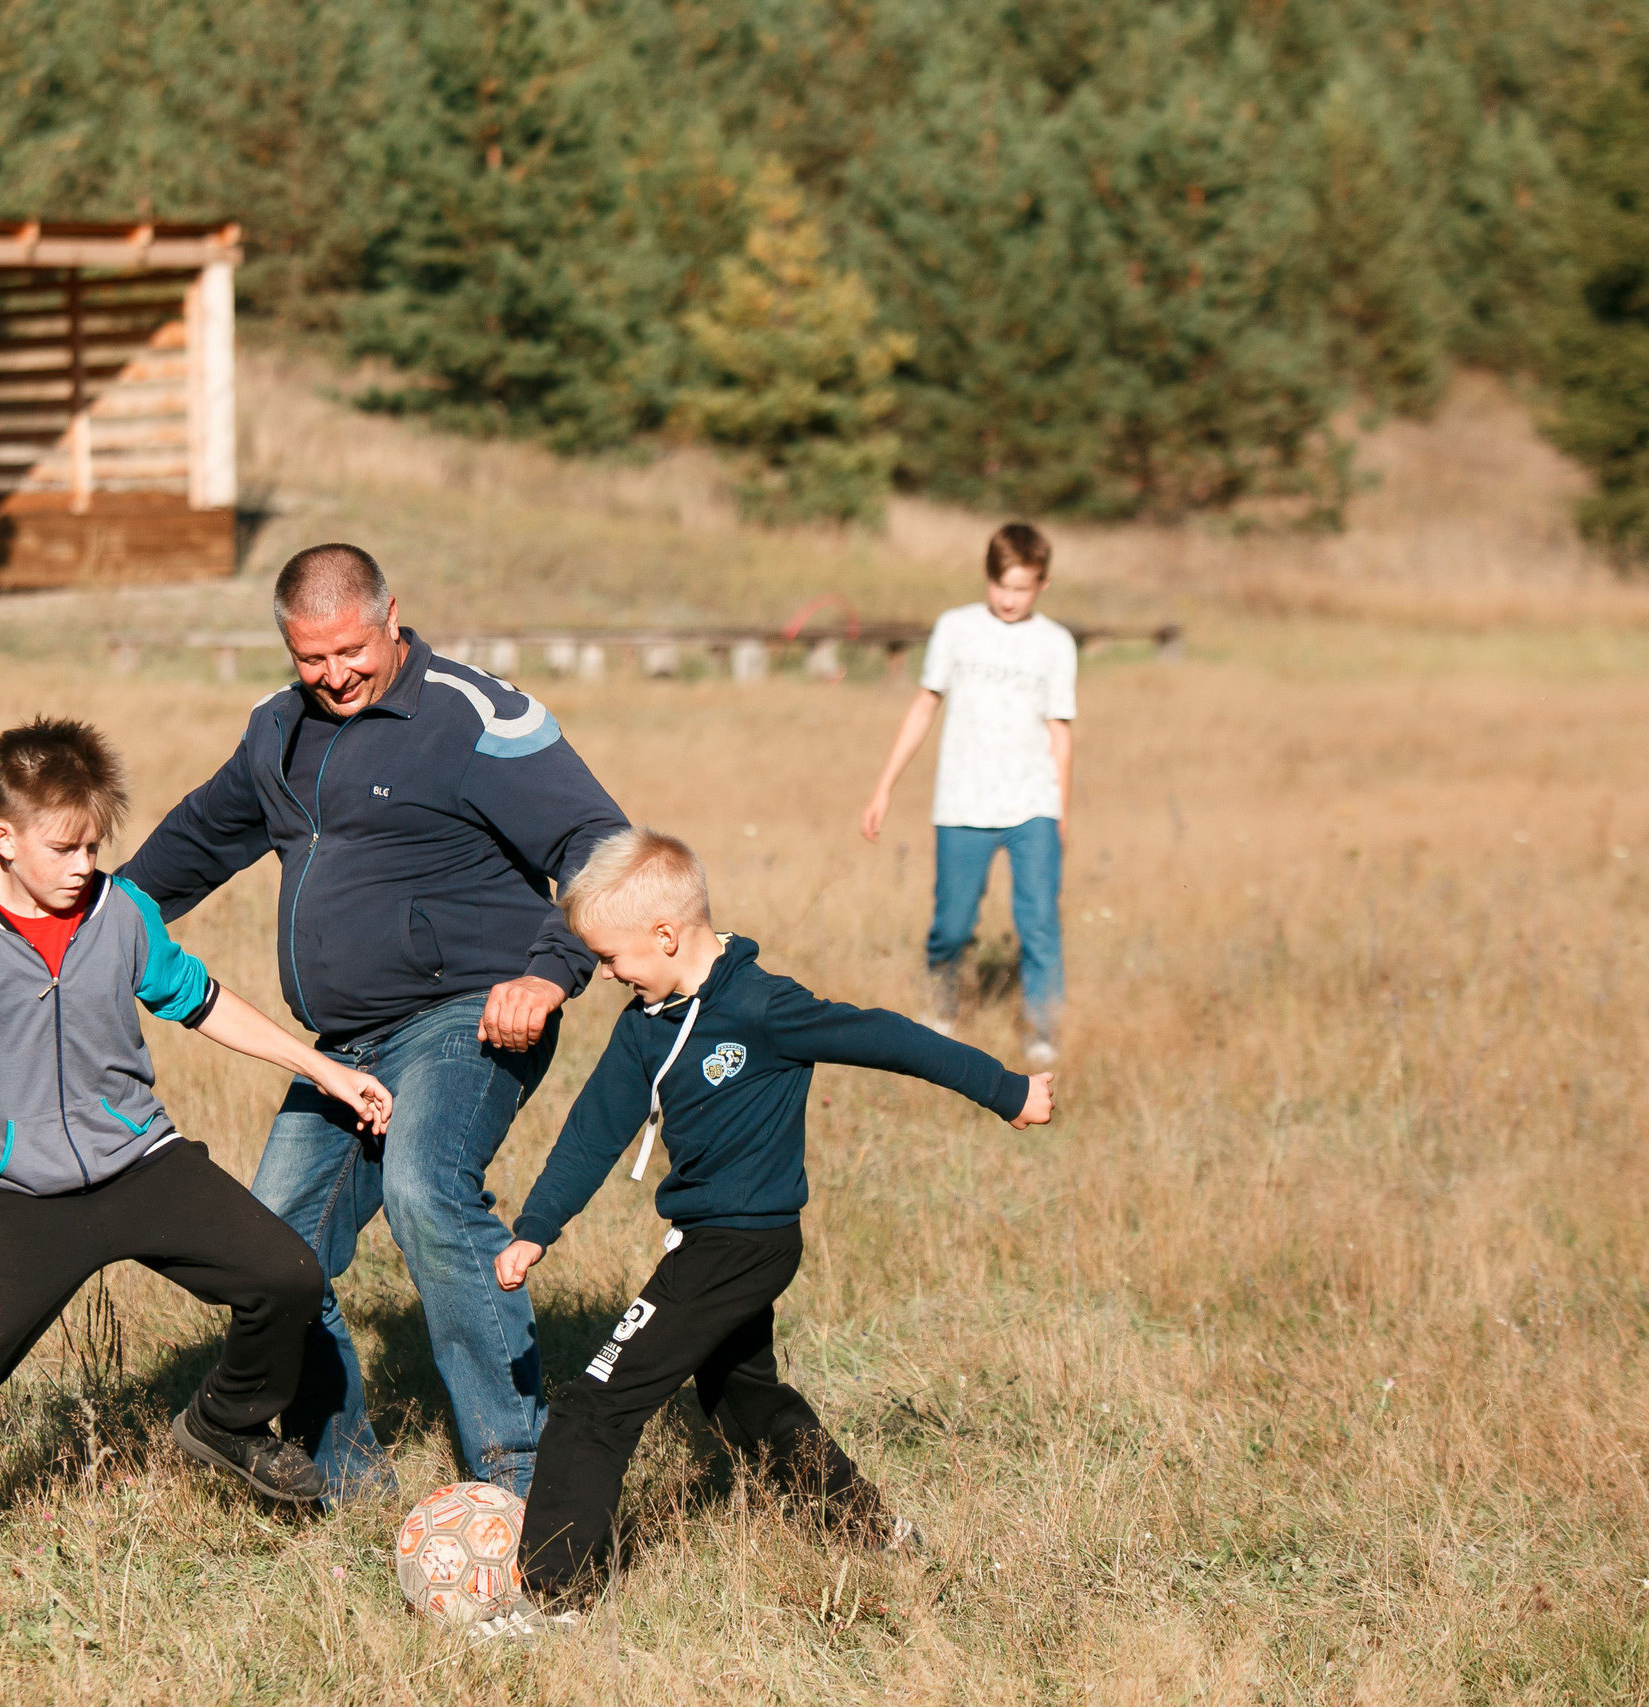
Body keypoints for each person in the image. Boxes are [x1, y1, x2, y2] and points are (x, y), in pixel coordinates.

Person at [119, 544, 629, 1498]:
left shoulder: (474, 716)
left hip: (469, 1015)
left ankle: (524, 1479)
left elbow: (600, 843)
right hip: (342, 1049)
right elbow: (196, 840)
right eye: (310, 657)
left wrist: (549, 974)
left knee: (425, 1190)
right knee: (272, 1250)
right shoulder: (277, 730)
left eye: (351, 649)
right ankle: (346, 1478)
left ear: (392, 617)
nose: (334, 674)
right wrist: (87, 928)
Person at [0, 718, 396, 1557]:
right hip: (15, 1195)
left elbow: (201, 998)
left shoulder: (122, 911)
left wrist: (323, 1069)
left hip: (140, 1163)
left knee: (288, 1275)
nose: (83, 864)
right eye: (63, 848)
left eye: (93, 846)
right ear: (5, 839)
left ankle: (226, 1420)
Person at [494, 827, 1053, 1611]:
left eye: (612, 957)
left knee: (596, 1403)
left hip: (739, 1245)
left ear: (665, 934)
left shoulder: (762, 1006)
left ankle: (552, 1598)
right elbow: (592, 1130)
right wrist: (535, 1226)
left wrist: (1007, 1089)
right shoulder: (644, 1024)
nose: (608, 973)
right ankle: (872, 1531)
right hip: (713, 1241)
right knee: (743, 1397)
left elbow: (890, 1038)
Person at [859, 522, 1078, 1067]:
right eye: (1001, 585)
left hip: (1032, 804)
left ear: (1042, 584)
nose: (1009, 598)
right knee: (952, 926)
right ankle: (942, 1005)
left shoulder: (1055, 643)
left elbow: (1059, 731)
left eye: (1022, 588)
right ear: (987, 577)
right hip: (962, 803)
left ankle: (1042, 1030)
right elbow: (923, 708)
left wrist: (1061, 811)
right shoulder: (956, 628)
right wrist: (884, 787)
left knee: (1039, 922)